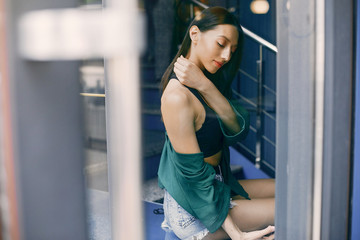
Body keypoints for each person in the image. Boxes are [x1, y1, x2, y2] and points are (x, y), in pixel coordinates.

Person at [157, 6, 275, 240]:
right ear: (195, 35)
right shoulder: (176, 97)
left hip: (218, 186)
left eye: (232, 49)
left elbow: (238, 129)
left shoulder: (208, 81)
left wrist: (205, 86)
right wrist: (237, 235)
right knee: (289, 208)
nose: (227, 56)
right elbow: (194, 177)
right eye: (221, 44)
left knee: (288, 190)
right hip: (193, 210)